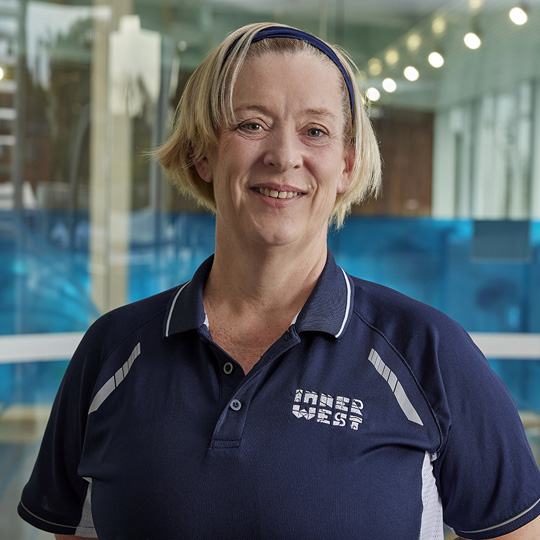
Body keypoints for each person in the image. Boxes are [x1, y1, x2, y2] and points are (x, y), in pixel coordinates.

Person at [18, 22, 540, 540]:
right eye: (252, 124)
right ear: (203, 151)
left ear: (347, 164)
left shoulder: (430, 353)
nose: (284, 155)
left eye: (315, 131)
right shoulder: (112, 350)